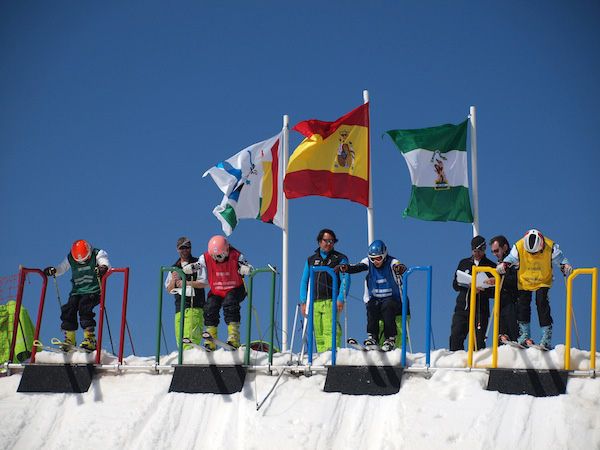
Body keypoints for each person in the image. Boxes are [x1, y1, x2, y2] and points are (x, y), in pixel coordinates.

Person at [498, 229, 573, 348]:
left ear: (541, 245)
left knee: (541, 303)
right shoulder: (519, 246)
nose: (533, 255)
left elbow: (561, 259)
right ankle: (524, 334)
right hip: (525, 280)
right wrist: (504, 264)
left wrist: (565, 265)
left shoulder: (550, 246)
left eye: (535, 253)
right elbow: (511, 258)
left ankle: (546, 337)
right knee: (523, 306)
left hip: (542, 280)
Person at [182, 235, 252, 350]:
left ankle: (234, 337)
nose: (216, 258)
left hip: (235, 288)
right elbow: (199, 265)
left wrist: (246, 269)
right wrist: (192, 267)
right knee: (210, 307)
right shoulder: (205, 257)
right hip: (217, 290)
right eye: (213, 256)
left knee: (230, 304)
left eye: (218, 256)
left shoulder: (236, 256)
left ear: (226, 251)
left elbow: (248, 267)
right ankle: (211, 337)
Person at [338, 240, 407, 352]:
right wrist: (346, 268)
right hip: (376, 299)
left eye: (378, 258)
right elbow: (358, 267)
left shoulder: (391, 262)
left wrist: (400, 268)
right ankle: (372, 336)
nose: (375, 262)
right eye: (372, 258)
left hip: (393, 299)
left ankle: (390, 338)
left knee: (387, 306)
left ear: (384, 255)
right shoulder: (368, 262)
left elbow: (398, 265)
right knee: (371, 306)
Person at [43, 239, 111, 351]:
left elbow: (105, 263)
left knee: (84, 308)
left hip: (93, 290)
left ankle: (90, 339)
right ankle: (70, 339)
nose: (82, 263)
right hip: (77, 291)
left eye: (85, 260)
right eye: (79, 262)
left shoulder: (97, 254)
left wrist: (103, 268)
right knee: (69, 309)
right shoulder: (71, 257)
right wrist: (54, 270)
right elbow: (62, 268)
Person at [299, 229, 350, 352]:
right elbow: (304, 281)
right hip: (315, 302)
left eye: (331, 241)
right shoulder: (311, 260)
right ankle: (322, 356)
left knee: (330, 329)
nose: (329, 243)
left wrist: (341, 299)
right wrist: (303, 301)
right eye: (326, 241)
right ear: (319, 241)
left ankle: (332, 355)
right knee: (318, 332)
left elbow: (345, 279)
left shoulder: (340, 258)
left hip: (331, 301)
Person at [449, 235, 495, 352]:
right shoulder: (464, 263)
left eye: (480, 251)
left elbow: (495, 291)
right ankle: (456, 360)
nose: (477, 254)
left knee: (478, 341)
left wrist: (484, 289)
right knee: (456, 335)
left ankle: (477, 364)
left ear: (484, 250)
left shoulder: (491, 266)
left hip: (480, 309)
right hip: (463, 307)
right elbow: (455, 284)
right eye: (475, 251)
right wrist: (467, 284)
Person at [164, 237, 206, 349]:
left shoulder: (197, 264)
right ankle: (183, 360)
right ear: (177, 249)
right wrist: (174, 280)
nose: (184, 250)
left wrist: (186, 283)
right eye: (182, 248)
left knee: (190, 340)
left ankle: (189, 360)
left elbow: (204, 283)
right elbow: (168, 289)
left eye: (187, 247)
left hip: (195, 306)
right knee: (180, 340)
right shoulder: (174, 267)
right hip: (179, 309)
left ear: (190, 248)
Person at [489, 235, 519, 344]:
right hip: (501, 303)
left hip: (513, 302)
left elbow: (516, 280)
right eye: (492, 252)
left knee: (513, 335)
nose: (494, 254)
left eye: (496, 250)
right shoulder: (500, 263)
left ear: (505, 247)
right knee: (501, 337)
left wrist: (499, 279)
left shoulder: (514, 260)